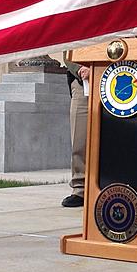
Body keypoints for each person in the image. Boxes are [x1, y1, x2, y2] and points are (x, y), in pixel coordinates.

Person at [61, 57, 89, 207]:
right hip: (83, 82)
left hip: (117, 75)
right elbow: (69, 50)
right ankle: (80, 189)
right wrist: (80, 68)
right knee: (80, 137)